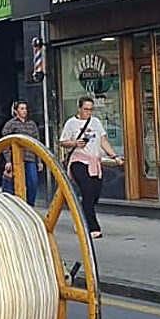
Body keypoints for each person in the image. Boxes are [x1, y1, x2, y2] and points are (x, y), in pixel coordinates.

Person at [59, 96, 120, 239]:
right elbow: (62, 142)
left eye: (91, 110)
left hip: (94, 162)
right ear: (79, 108)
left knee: (94, 194)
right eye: (86, 109)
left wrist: (114, 155)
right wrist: (74, 143)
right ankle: (93, 227)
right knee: (87, 191)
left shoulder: (96, 122)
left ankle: (80, 215)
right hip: (78, 161)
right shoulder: (71, 123)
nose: (88, 112)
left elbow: (103, 141)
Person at [1, 100, 42, 206]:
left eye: (25, 109)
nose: (24, 111)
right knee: (16, 183)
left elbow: (36, 143)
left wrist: (39, 161)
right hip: (16, 158)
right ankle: (16, 205)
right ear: (16, 111)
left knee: (33, 181)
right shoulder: (10, 124)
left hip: (30, 157)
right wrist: (8, 160)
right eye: (21, 109)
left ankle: (30, 204)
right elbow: (5, 143)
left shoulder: (32, 124)